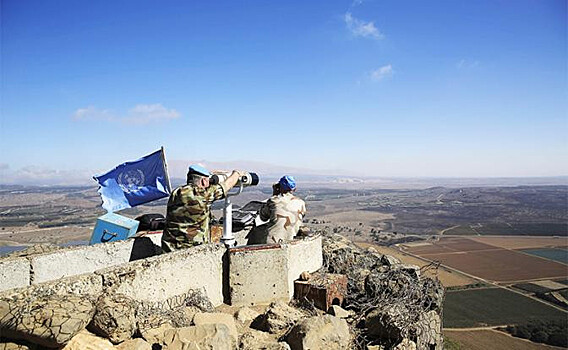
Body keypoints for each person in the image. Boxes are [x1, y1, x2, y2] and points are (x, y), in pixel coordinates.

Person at [161, 164, 244, 251]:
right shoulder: (202, 195)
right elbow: (227, 185)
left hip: (169, 248)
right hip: (190, 251)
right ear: (204, 182)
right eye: (208, 181)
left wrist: (211, 175)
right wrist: (236, 173)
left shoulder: (177, 192)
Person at [248, 175, 306, 244]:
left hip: (273, 242)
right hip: (291, 241)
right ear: (294, 189)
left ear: (279, 187)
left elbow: (263, 217)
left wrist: (274, 194)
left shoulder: (273, 201)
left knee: (254, 234)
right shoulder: (301, 203)